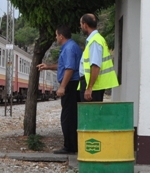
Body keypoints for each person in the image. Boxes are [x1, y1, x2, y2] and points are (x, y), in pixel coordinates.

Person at [38, 25, 82, 154]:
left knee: (67, 117)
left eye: (56, 35)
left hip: (71, 84)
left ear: (61, 36)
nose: (56, 37)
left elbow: (69, 69)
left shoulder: (68, 48)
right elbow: (63, 65)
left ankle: (70, 147)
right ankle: (73, 145)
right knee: (71, 115)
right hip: (73, 83)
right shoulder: (71, 46)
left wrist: (62, 86)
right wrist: (48, 67)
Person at [80, 13, 119, 102]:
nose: (81, 27)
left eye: (81, 24)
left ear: (85, 25)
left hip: (93, 86)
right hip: (94, 85)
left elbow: (96, 65)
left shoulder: (94, 41)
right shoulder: (97, 39)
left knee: (90, 114)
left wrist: (89, 88)